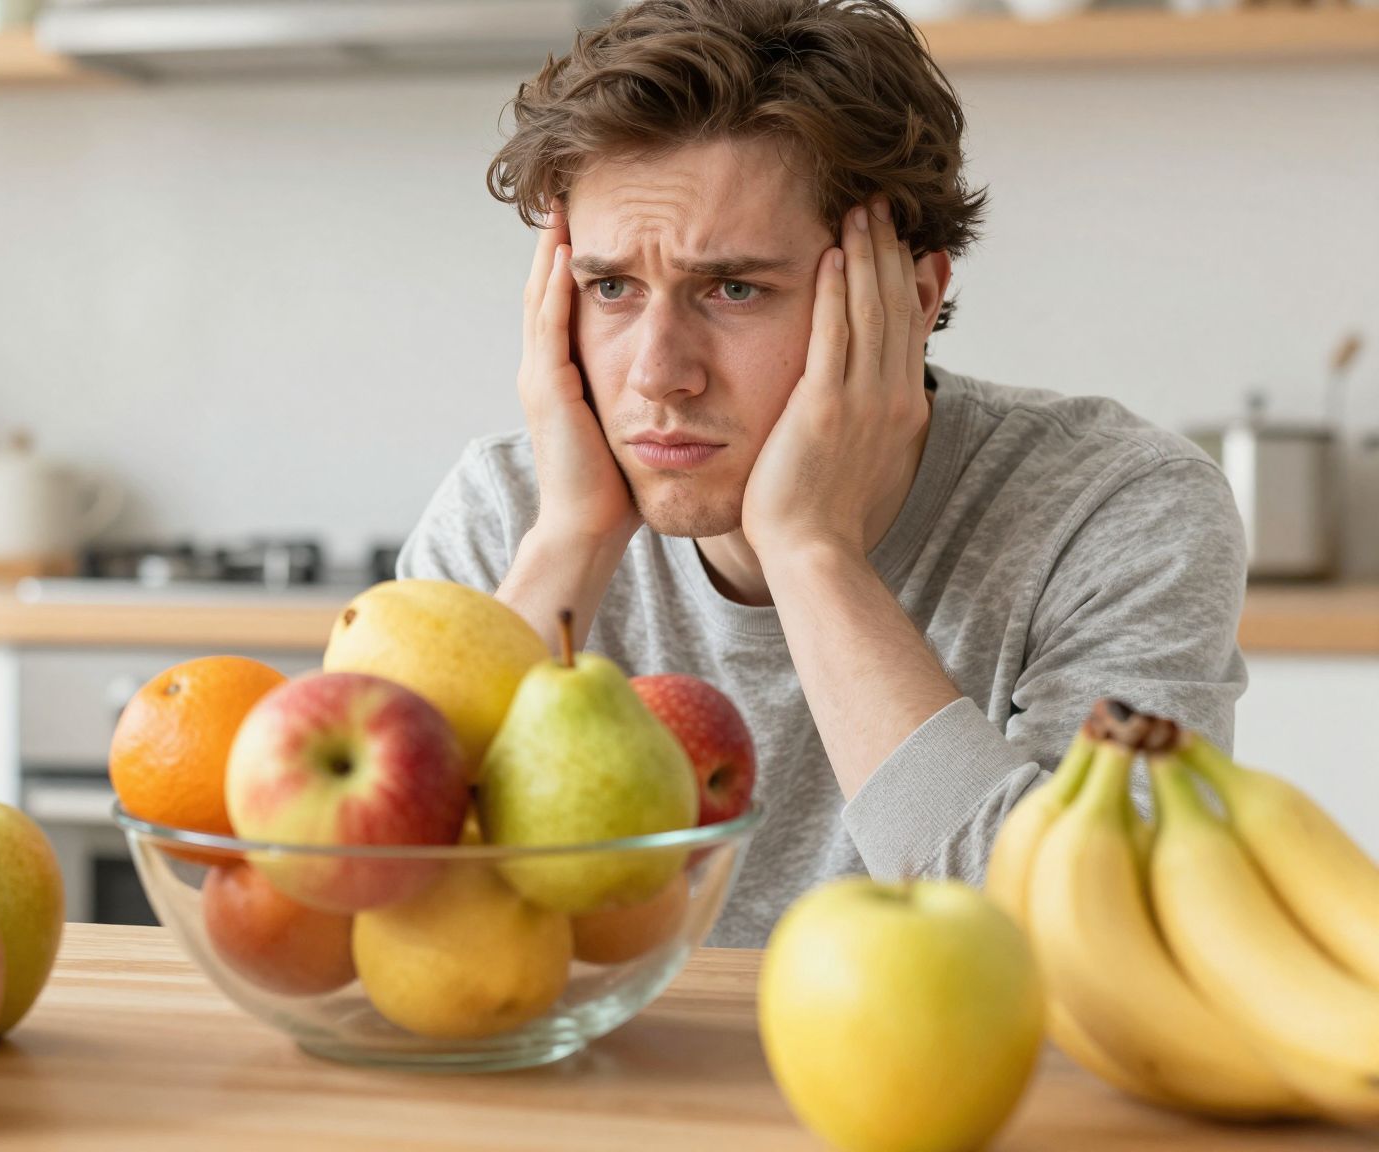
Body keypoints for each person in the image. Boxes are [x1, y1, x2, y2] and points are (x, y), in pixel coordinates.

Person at [397, 0, 1246, 947]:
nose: (655, 374)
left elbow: (1097, 940)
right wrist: (570, 543)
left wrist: (810, 552)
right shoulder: (509, 512)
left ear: (910, 298)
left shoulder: (1119, 510)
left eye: (734, 289)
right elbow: (387, 903)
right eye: (611, 288)